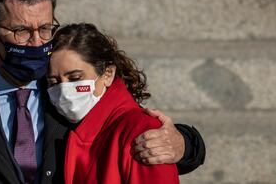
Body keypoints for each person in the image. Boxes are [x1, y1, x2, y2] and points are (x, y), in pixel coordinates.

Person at [0, 0, 205, 184]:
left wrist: (185, 143)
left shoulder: (70, 91)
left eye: (45, 28)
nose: (36, 42)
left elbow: (120, 125)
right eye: (21, 31)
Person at [47, 23, 180, 183]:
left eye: (75, 78)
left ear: (108, 74)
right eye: (54, 82)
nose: (64, 90)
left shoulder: (141, 132)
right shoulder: (59, 125)